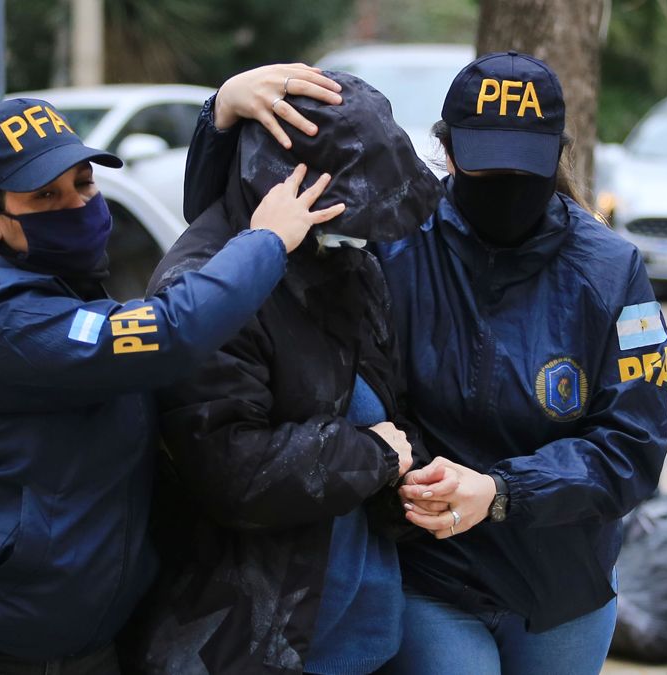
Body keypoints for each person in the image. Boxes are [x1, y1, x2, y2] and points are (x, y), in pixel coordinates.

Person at [178, 52, 667, 675]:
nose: (505, 184)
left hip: (563, 590)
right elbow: (237, 241)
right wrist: (220, 114)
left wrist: (502, 492)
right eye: (487, 164)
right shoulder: (391, 237)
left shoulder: (610, 271)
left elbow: (634, 445)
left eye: (524, 167)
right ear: (447, 153)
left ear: (559, 156)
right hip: (432, 578)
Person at [0, 96, 344, 673]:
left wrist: (218, 115)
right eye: (45, 196)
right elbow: (169, 330)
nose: (76, 204)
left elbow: (196, 239)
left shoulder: (52, 271)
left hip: (77, 647)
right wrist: (265, 240)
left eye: (83, 183)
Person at [122, 71, 442, 674]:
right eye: (351, 217)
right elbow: (228, 469)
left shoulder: (344, 262)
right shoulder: (206, 288)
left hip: (360, 629)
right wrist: (373, 456)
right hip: (247, 644)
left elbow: (386, 411)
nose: (366, 238)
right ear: (288, 190)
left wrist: (412, 481)